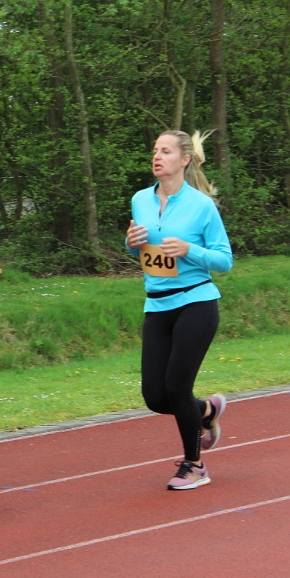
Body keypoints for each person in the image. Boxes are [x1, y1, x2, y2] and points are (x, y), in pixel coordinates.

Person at [126, 130, 232, 490]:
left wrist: (190, 250)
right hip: (157, 304)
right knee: (155, 397)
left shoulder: (201, 206)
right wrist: (130, 243)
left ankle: (195, 465)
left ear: (184, 160)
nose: (157, 156)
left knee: (177, 387)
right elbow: (141, 249)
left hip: (195, 301)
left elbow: (224, 260)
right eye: (155, 150)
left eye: (166, 151)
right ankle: (206, 411)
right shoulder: (140, 199)